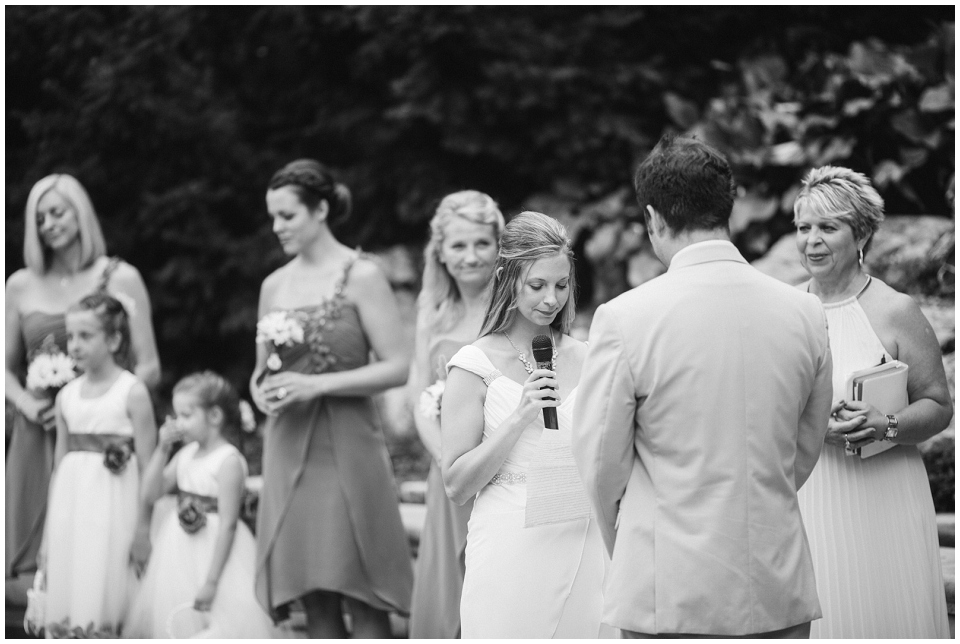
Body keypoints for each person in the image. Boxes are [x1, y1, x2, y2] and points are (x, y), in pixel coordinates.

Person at [573, 134, 834, 638]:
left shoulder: (625, 318)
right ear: (727, 208)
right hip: (776, 585)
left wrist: (628, 543)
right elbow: (804, 448)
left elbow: (601, 467)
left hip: (668, 591)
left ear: (653, 217)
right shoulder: (804, 312)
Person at [251, 159, 413, 638]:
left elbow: (397, 366)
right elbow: (260, 370)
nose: (277, 227)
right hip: (287, 443)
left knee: (362, 593)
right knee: (313, 598)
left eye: (287, 216)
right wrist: (262, 394)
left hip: (347, 444)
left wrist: (316, 385)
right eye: (273, 217)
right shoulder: (272, 285)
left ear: (320, 209)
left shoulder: (362, 275)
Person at [792, 166, 952, 638]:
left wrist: (887, 424)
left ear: (861, 233)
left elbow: (939, 406)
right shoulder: (785, 311)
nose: (812, 242)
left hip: (886, 494)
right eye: (803, 228)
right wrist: (815, 428)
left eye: (828, 227)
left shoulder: (896, 310)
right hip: (811, 491)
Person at [442, 211, 612, 638]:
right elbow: (457, 485)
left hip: (584, 538)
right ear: (507, 279)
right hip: (509, 545)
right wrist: (519, 417)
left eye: (561, 285)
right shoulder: (473, 366)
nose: (551, 299)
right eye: (537, 286)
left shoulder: (589, 358)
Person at [5, 174, 161, 601]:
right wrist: (26, 403)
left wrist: (94, 404)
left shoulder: (120, 276)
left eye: (58, 212)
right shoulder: (19, 284)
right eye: (39, 218)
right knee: (30, 567)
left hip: (101, 439)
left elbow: (149, 365)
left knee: (102, 558)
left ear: (81, 213)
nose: (49, 224)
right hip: (36, 432)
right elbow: (4, 366)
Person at [408, 190, 504, 639]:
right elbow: (419, 396)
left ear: (499, 246)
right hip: (446, 468)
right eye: (458, 246)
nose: (470, 256)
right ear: (440, 252)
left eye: (481, 244)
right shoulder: (432, 312)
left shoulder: (513, 308)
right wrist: (450, 456)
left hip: (503, 465)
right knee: (452, 583)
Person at [126, 371, 277, 638]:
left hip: (216, 554)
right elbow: (150, 494)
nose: (179, 423)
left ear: (215, 417)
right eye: (176, 416)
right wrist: (162, 449)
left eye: (186, 415)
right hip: (178, 551)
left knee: (220, 621)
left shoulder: (228, 461)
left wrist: (211, 581)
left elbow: (229, 524)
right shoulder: (186, 455)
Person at [43, 293, 157, 637]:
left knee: (107, 585)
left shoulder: (132, 392)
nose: (74, 345)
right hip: (71, 513)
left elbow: (150, 468)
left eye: (86, 336)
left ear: (114, 339)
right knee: (73, 586)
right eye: (71, 336)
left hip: (115, 513)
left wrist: (143, 529)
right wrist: (49, 537)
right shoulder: (67, 396)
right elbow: (59, 466)